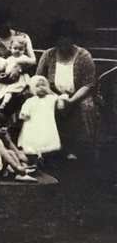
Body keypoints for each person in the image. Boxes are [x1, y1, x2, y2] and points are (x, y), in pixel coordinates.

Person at [36, 19, 99, 160]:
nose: (63, 42)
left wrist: (71, 100)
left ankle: (78, 149)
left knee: (85, 106)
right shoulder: (48, 55)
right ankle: (48, 149)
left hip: (78, 95)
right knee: (41, 105)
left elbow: (88, 84)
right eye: (60, 39)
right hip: (52, 94)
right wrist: (54, 96)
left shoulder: (83, 56)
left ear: (72, 39)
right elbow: (39, 79)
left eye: (66, 38)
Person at [18, 75, 61, 162]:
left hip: (47, 122)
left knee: (47, 138)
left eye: (43, 85)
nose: (41, 88)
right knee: (33, 139)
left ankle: (46, 155)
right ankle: (36, 156)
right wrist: (25, 115)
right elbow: (24, 112)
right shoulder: (31, 100)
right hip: (33, 123)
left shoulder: (50, 98)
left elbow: (59, 100)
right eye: (37, 86)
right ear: (33, 88)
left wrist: (51, 93)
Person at [0, 38, 31, 110]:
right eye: (15, 48)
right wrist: (2, 73)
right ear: (10, 48)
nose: (17, 51)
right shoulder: (9, 59)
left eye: (20, 49)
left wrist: (20, 69)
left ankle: (4, 103)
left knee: (10, 90)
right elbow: (4, 68)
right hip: (8, 79)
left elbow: (26, 66)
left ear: (24, 50)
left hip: (19, 79)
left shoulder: (24, 58)